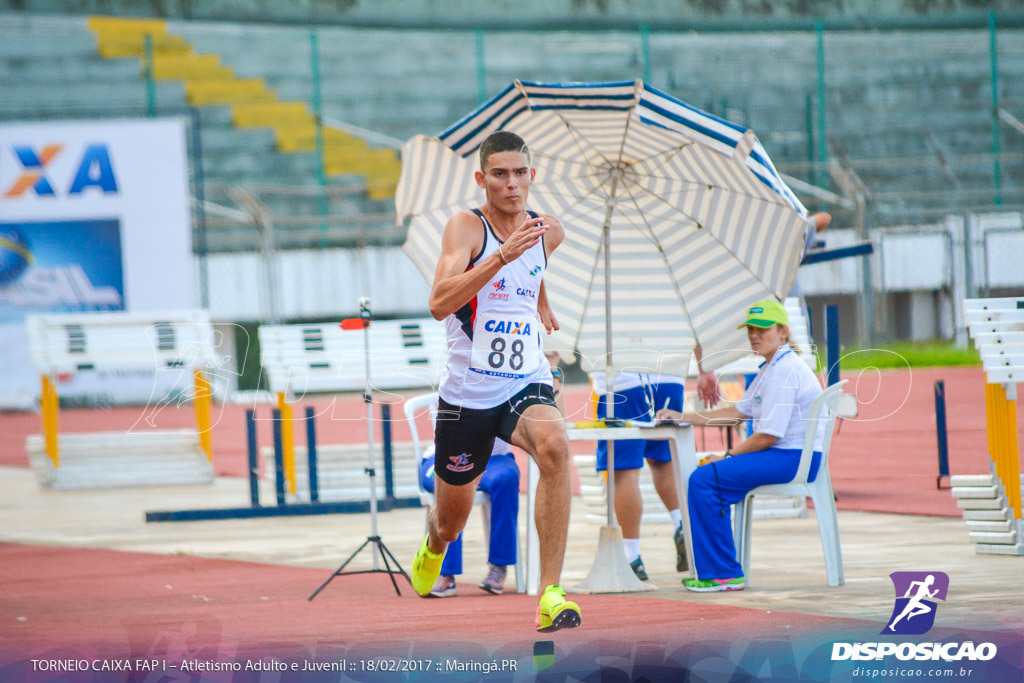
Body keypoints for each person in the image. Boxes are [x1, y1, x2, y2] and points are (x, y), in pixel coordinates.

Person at [411, 130, 580, 632]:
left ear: (533, 175)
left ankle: (550, 595)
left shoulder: (548, 231)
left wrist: (540, 298)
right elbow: (440, 301)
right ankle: (434, 544)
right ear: (482, 179)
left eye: (521, 173)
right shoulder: (466, 227)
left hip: (524, 379)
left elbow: (533, 268)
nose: (512, 184)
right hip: (467, 396)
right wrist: (501, 257)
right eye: (500, 174)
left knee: (554, 446)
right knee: (451, 521)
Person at [656, 299, 826, 593]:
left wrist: (725, 456)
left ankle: (723, 573)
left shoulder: (783, 371)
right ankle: (721, 568)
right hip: (789, 455)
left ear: (783, 332)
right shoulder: (772, 368)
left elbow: (767, 436)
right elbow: (736, 412)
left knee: (705, 481)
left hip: (792, 457)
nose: (754, 335)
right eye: (750, 329)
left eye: (762, 329)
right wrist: (682, 417)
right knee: (708, 478)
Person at [589, 365, 718, 580]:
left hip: (621, 379)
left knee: (625, 471)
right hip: (668, 374)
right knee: (663, 459)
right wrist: (706, 369)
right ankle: (681, 524)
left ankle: (632, 558)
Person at [418, 438, 520, 597]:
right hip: (447, 456)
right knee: (447, 479)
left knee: (506, 479)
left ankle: (499, 565)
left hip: (493, 460)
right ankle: (444, 572)